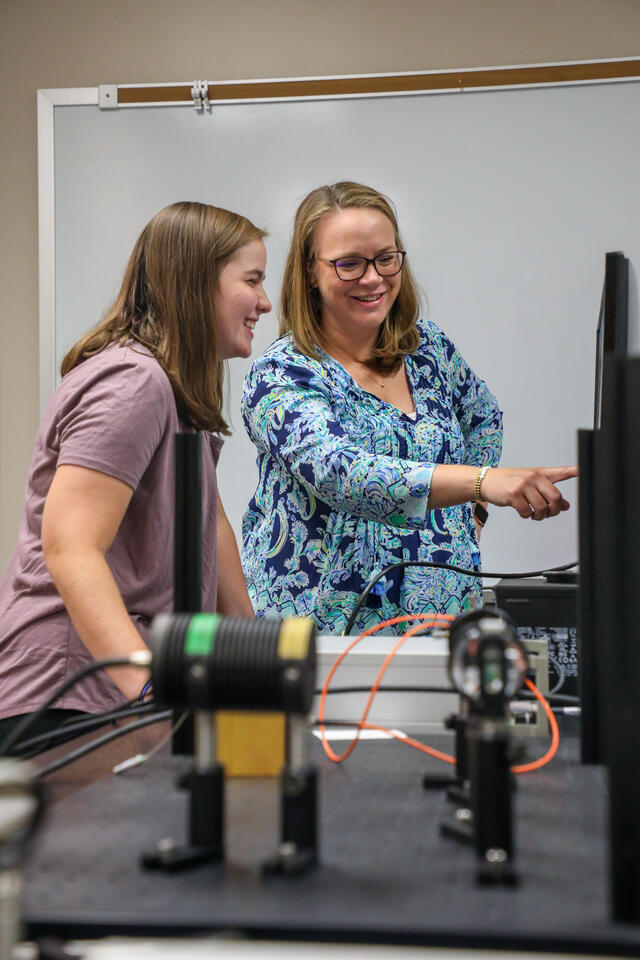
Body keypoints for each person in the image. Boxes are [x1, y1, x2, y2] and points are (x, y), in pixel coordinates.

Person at [241, 181, 577, 635]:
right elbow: (344, 474)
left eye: (386, 258)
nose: (374, 278)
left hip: (441, 619)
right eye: (349, 264)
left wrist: (471, 514)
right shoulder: (282, 374)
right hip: (324, 635)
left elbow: (484, 420)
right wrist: (482, 482)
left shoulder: (427, 348)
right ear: (309, 271)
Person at [0, 201, 271, 745]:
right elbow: (70, 547)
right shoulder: (132, 382)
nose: (264, 303)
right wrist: (150, 691)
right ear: (197, 283)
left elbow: (209, 525)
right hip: (68, 692)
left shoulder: (175, 392)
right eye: (252, 280)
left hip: (105, 693)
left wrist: (259, 663)